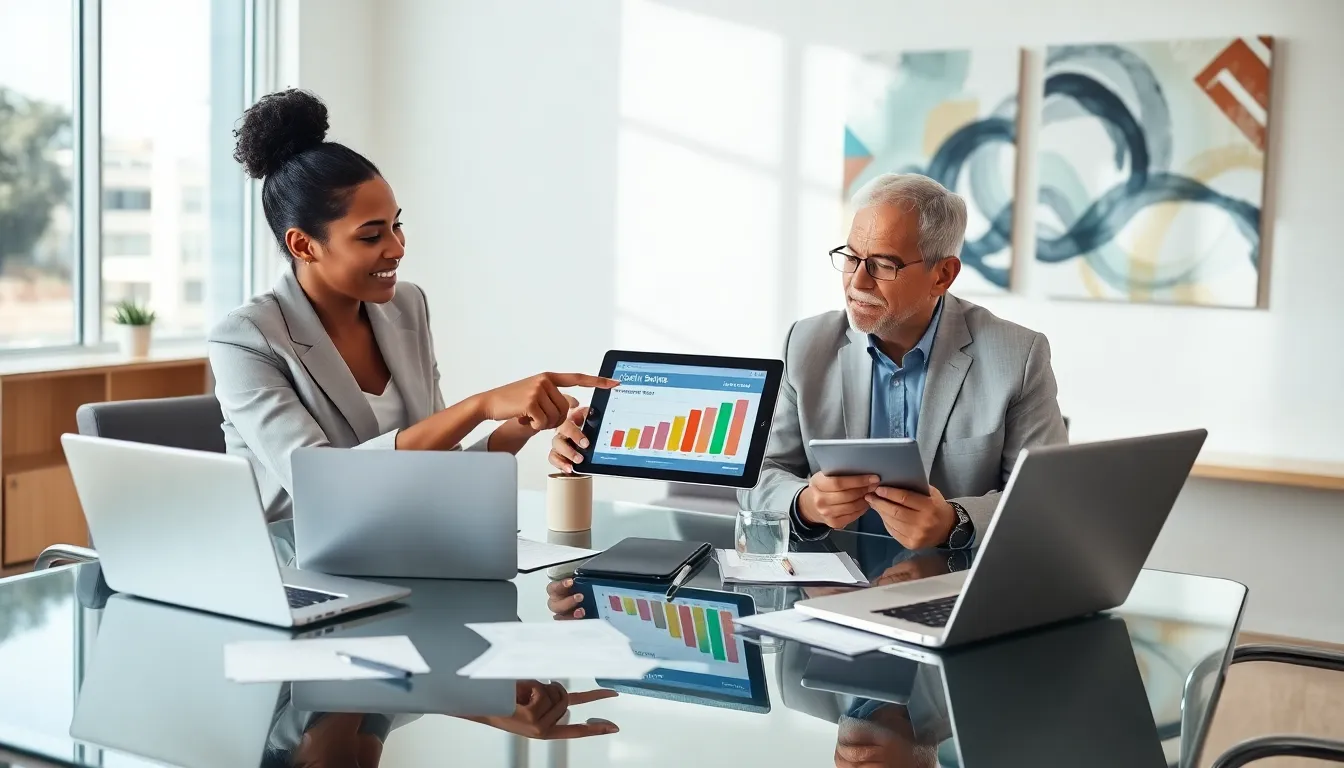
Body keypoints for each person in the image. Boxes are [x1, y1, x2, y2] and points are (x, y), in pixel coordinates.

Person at [210, 89, 616, 521]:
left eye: (396, 225)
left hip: (405, 537)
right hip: (294, 560)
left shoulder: (407, 304)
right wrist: (478, 406)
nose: (397, 248)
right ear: (303, 244)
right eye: (371, 235)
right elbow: (323, 485)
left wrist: (526, 421)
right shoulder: (247, 338)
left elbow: (439, 467)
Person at [738, 173, 1067, 548]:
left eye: (882, 264)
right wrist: (805, 504)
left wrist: (957, 520)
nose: (857, 282)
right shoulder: (805, 344)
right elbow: (759, 476)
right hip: (831, 586)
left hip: (949, 589)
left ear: (942, 275)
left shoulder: (1018, 356)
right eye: (850, 257)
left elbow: (1049, 501)